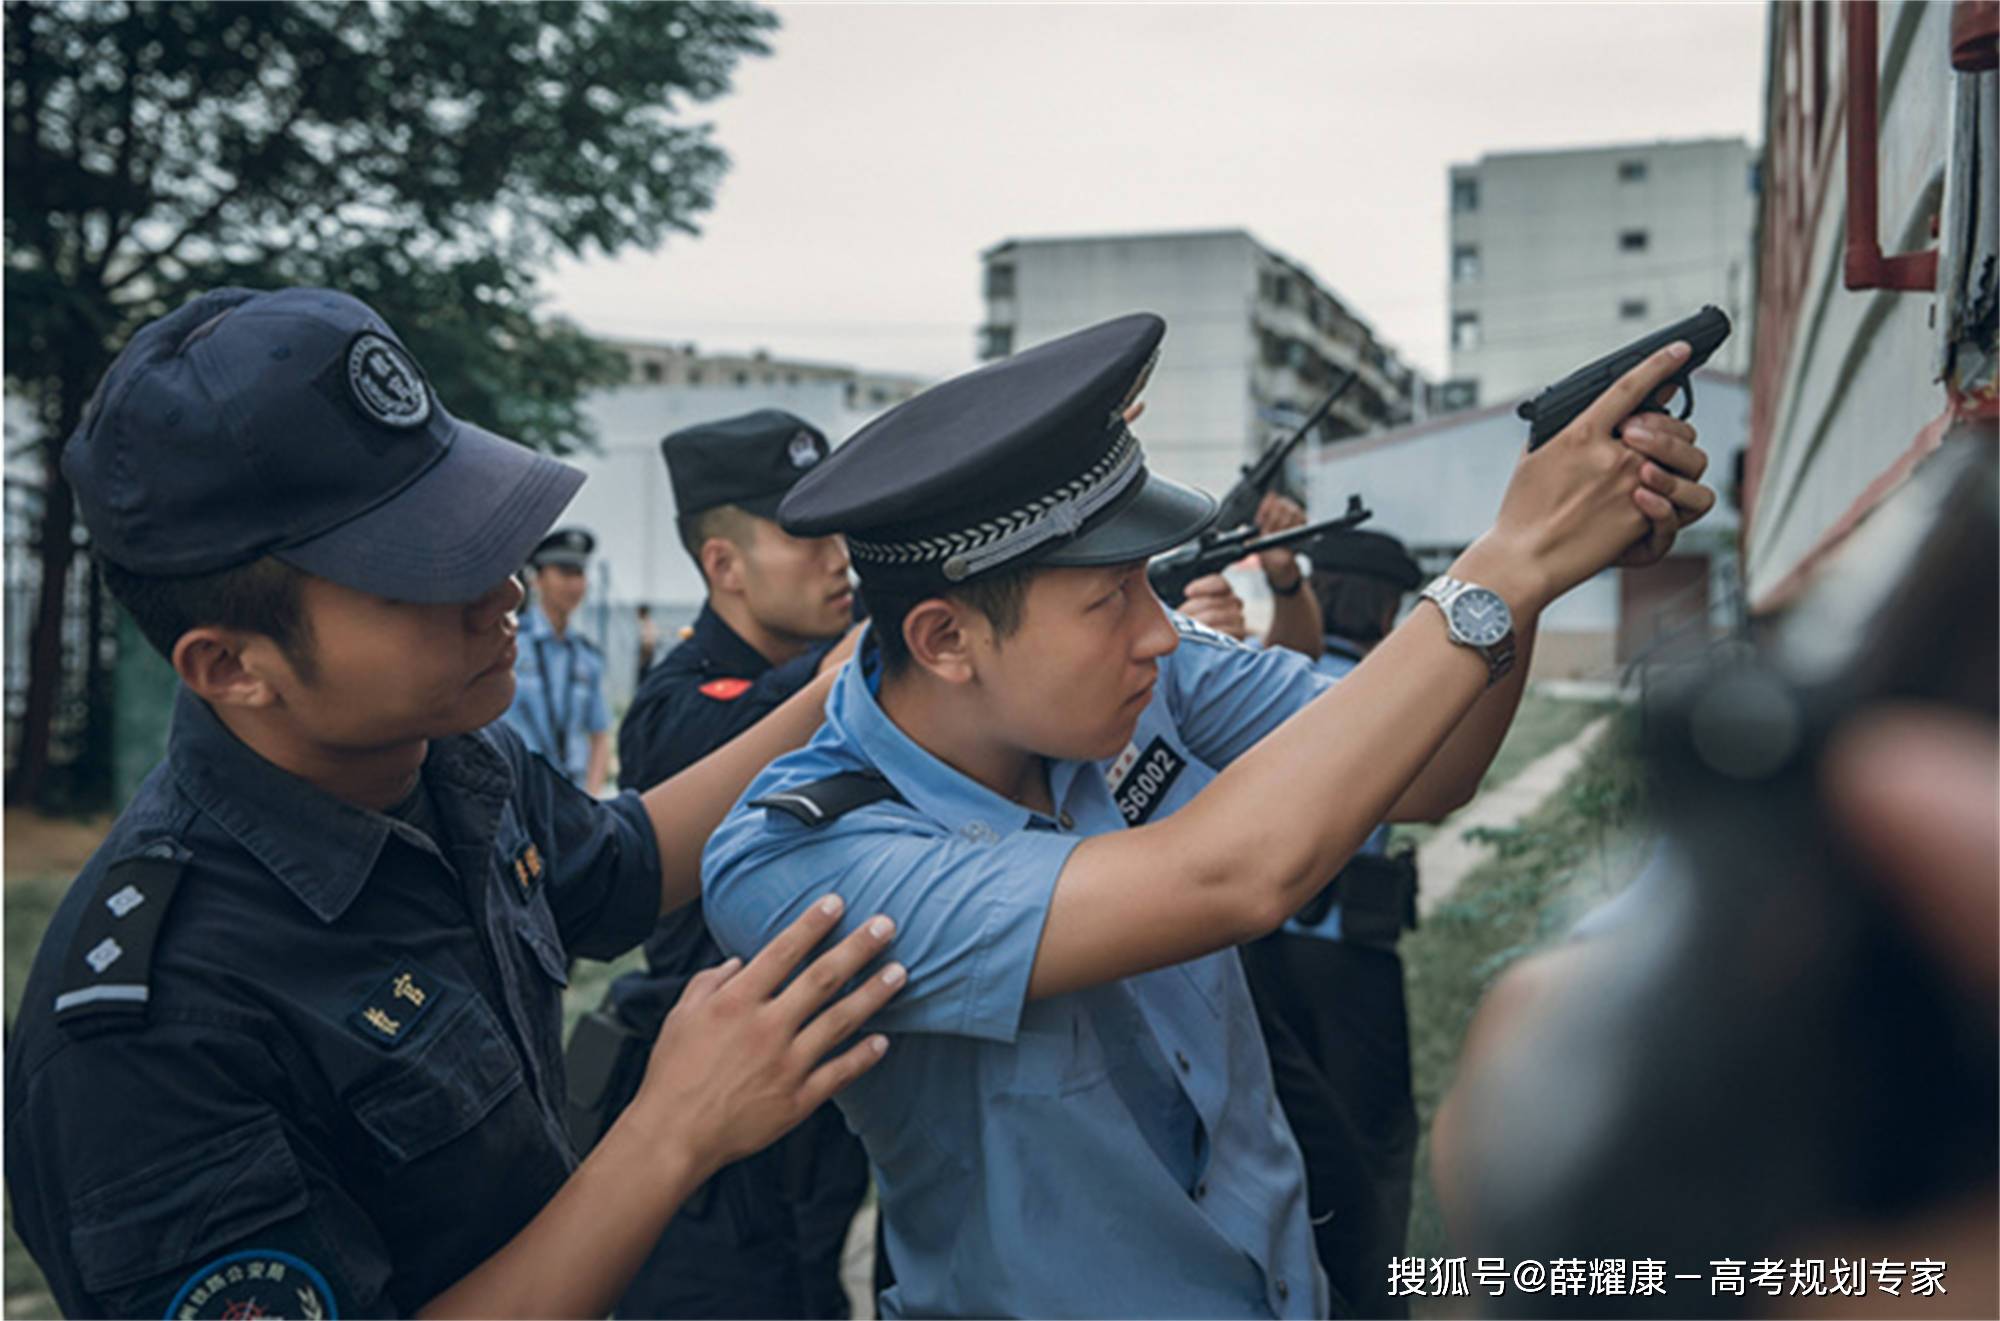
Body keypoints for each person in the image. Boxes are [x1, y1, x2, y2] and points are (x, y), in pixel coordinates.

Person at [699, 311, 1716, 1317]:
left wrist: (1536, 568)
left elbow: (1424, 770)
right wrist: (1501, 564)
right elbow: (1229, 875)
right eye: (1108, 600)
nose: (1157, 629)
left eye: (1148, 581)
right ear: (943, 637)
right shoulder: (808, 856)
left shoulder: (1146, 674)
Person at [4, 287, 906, 1320]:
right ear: (232, 665)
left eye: (482, 529)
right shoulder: (150, 1031)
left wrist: (846, 688)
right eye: (420, 571)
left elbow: (626, 859)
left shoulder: (446, 760)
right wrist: (672, 1129)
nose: (503, 589)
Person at [569, 409, 868, 1319]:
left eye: (840, 528)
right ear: (723, 565)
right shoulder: (679, 706)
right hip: (713, 1151)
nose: (839, 555)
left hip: (823, 1125)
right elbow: (763, 741)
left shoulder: (835, 669)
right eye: (804, 532)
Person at [1239, 527, 1431, 1316]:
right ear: (1384, 607)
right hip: (1349, 957)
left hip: (1259, 962)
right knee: (1375, 1145)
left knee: (1288, 1141)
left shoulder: (1261, 676)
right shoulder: (1373, 696)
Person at [503, 526, 612, 794]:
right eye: (564, 573)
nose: (574, 585)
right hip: (519, 791)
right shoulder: (510, 645)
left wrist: (591, 798)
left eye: (579, 574)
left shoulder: (586, 657)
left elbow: (599, 735)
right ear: (537, 579)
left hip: (571, 794)